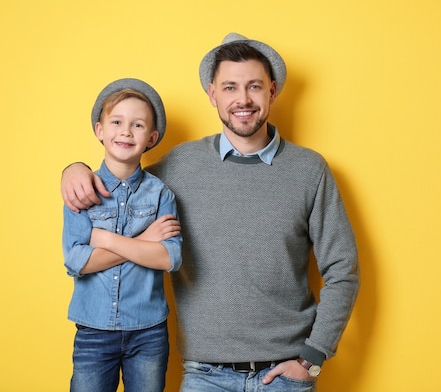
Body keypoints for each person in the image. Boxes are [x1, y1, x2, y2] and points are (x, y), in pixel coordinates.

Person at [61, 33, 359, 392]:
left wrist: (312, 359)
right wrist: (75, 169)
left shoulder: (310, 170)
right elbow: (121, 173)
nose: (243, 99)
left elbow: (343, 268)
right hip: (206, 376)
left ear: (273, 92)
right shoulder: (180, 166)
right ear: (213, 94)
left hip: (285, 375)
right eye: (230, 87)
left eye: (254, 87)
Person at [62, 78, 183, 392]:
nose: (126, 131)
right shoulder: (80, 191)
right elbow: (76, 260)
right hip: (93, 330)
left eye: (138, 125)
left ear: (152, 138)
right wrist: (144, 242)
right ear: (100, 130)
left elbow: (170, 257)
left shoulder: (160, 195)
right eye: (117, 121)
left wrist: (105, 240)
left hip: (148, 332)